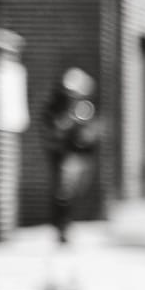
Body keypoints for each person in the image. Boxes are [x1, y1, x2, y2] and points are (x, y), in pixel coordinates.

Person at [41, 67, 100, 244]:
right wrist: (67, 124)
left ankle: (66, 224)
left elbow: (88, 135)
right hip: (61, 155)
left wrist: (87, 133)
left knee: (70, 192)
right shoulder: (55, 108)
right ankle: (61, 226)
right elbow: (52, 131)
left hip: (76, 156)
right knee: (62, 192)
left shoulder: (83, 108)